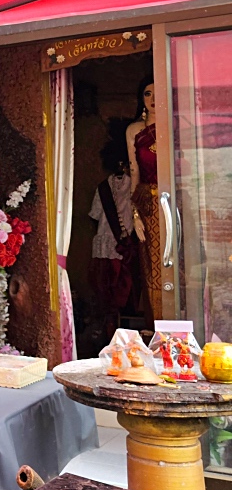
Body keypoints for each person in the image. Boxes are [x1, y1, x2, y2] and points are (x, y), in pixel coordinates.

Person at [90, 130, 141, 342]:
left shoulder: (136, 186)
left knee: (126, 289)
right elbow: (95, 216)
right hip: (108, 247)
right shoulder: (103, 188)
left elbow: (94, 215)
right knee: (107, 289)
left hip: (128, 247)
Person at [125, 76, 161, 322]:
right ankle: (156, 323)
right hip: (147, 203)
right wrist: (135, 215)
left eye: (158, 93)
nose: (153, 99)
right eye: (148, 94)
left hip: (175, 201)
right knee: (151, 265)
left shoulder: (176, 124)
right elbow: (135, 172)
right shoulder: (134, 131)